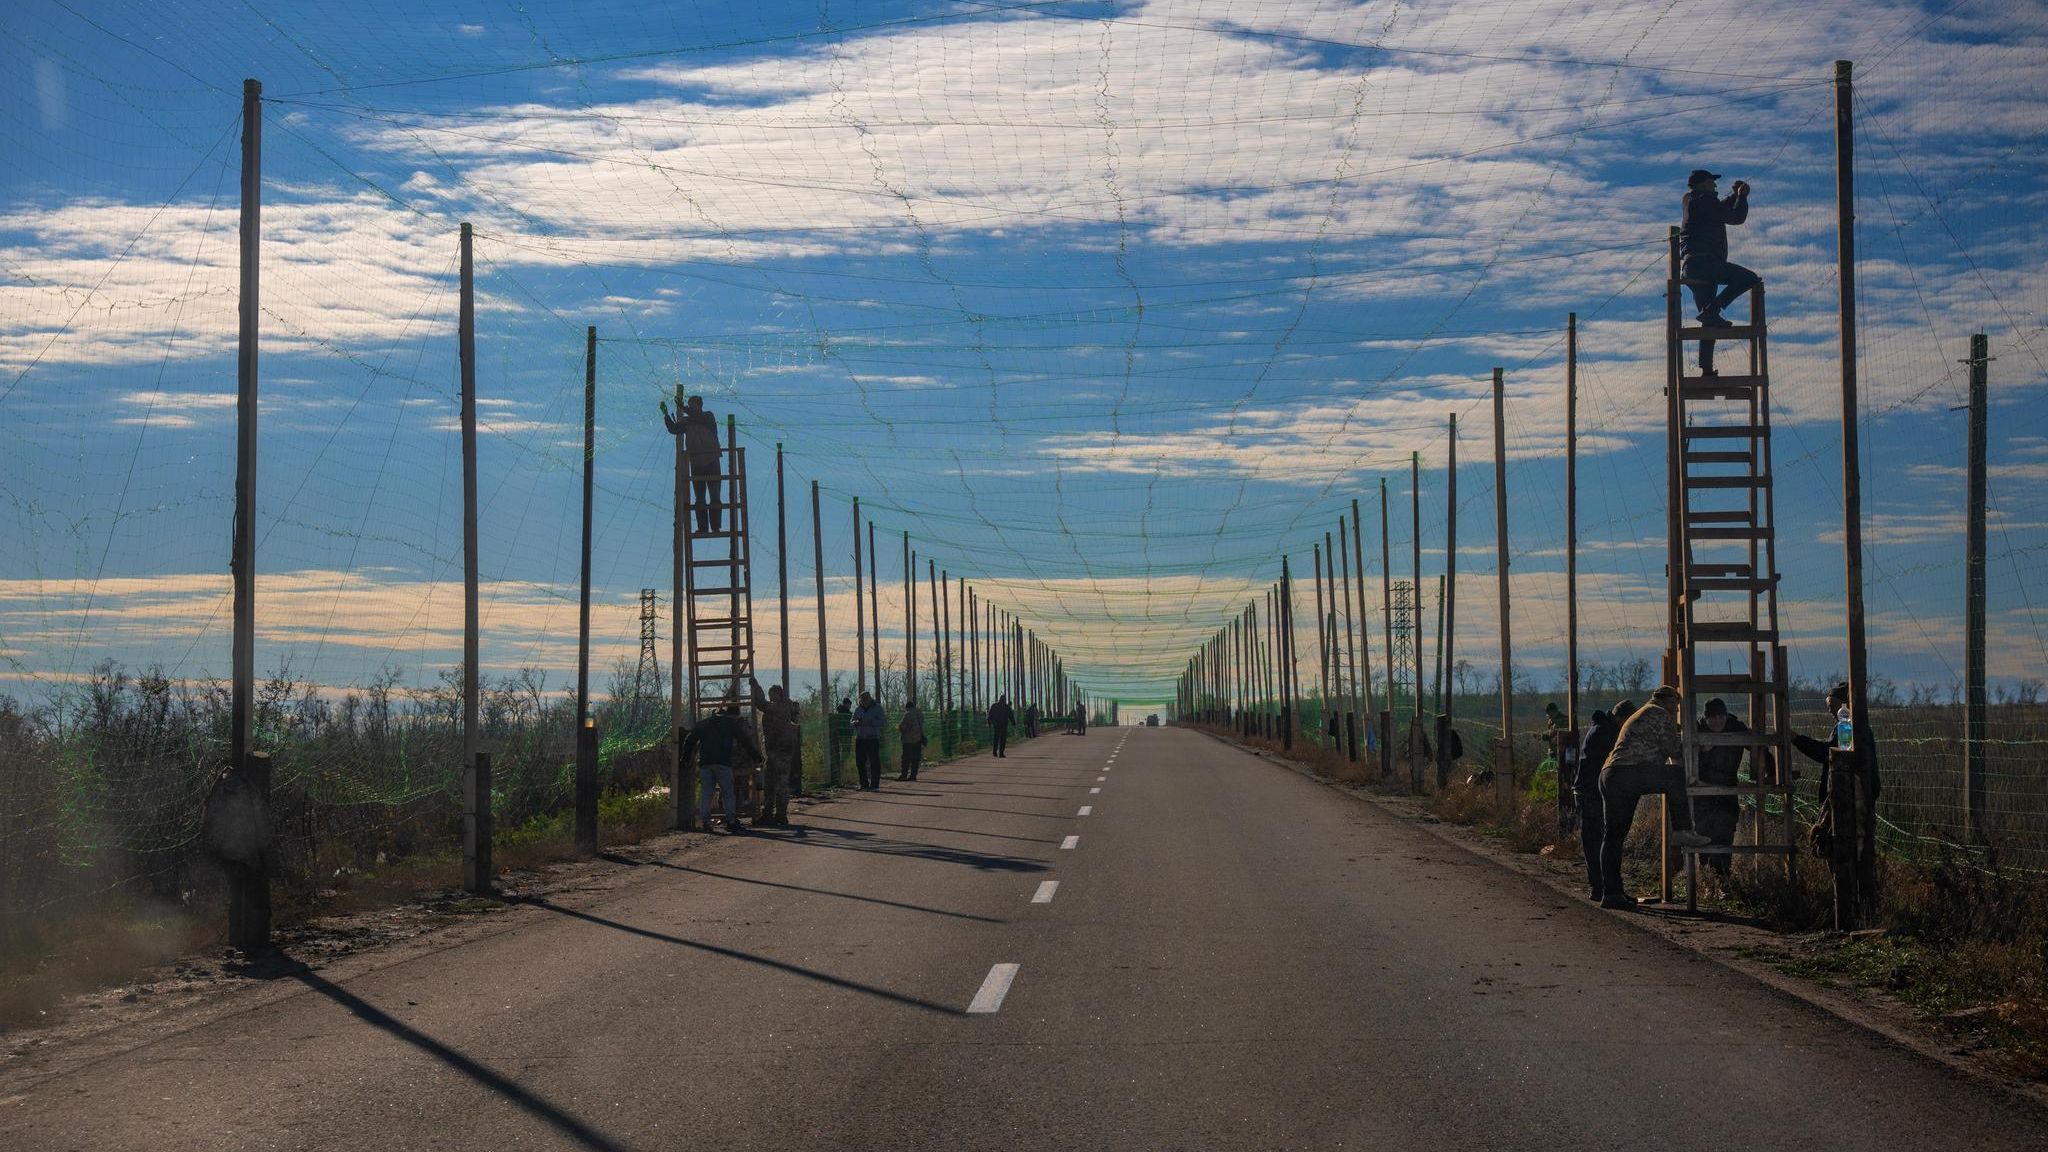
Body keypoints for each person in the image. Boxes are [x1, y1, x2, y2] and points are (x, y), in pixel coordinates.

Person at [1598, 686, 1711, 908]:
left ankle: (1612, 893)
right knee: (1675, 776)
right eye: (1676, 706)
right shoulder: (1660, 714)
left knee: (1613, 837)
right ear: (1669, 702)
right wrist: (1699, 747)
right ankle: (1683, 831)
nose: (1676, 711)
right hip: (1630, 773)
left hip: (1610, 774)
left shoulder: (1643, 712)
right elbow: (1675, 751)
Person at [1678, 169, 1758, 378]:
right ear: (1703, 184)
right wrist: (1741, 197)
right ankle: (1713, 309)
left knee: (1709, 322)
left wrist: (1734, 196)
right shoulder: (1703, 201)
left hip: (1694, 266)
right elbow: (1735, 217)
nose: (1715, 187)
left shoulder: (1694, 201)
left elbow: (1719, 209)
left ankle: (1706, 370)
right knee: (1749, 278)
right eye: (1712, 183)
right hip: (1705, 264)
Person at [1792, 681, 1880, 866]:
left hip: (1846, 800)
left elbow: (1829, 753)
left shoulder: (1847, 728)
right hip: (1857, 798)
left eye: (1832, 706)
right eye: (1828, 706)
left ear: (1844, 705)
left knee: (1842, 852)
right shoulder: (1854, 727)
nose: (1830, 711)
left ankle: (1847, 892)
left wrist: (1797, 739)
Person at [680, 697, 760, 835]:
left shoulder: (704, 723)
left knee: (707, 793)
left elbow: (690, 740)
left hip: (705, 763)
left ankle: (705, 822)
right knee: (728, 793)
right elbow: (744, 740)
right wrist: (756, 756)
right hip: (723, 763)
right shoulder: (729, 724)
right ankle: (731, 821)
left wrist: (685, 757)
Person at [1694, 698, 1753, 876]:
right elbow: (1686, 761)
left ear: (1726, 716)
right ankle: (1707, 876)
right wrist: (1703, 752)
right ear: (1705, 718)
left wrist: (1768, 772)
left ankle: (1723, 877)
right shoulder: (1697, 730)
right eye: (1712, 718)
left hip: (1728, 787)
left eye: (1721, 717)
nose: (1717, 721)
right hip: (1703, 789)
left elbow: (1759, 746)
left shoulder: (1736, 727)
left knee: (1725, 830)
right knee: (1704, 830)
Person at [1575, 705, 1626, 902]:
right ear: (1621, 719)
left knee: (1594, 840)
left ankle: (1601, 886)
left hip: (1587, 791)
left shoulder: (1600, 729)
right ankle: (1602, 886)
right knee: (1598, 840)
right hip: (1591, 793)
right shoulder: (1608, 733)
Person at [661, 394, 723, 535]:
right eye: (689, 404)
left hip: (712, 461)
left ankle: (715, 527)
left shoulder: (708, 417)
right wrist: (665, 415)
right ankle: (703, 528)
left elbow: (698, 417)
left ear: (700, 405)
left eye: (693, 404)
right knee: (700, 498)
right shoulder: (687, 421)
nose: (691, 406)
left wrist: (684, 408)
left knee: (714, 496)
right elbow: (674, 429)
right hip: (696, 463)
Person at [749, 677, 800, 826]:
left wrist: (756, 687)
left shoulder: (781, 706)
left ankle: (778, 814)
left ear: (778, 695)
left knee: (778, 783)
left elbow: (761, 704)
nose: (771, 698)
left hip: (779, 751)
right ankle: (773, 813)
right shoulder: (786, 707)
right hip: (778, 751)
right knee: (772, 783)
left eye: (772, 695)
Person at [852, 690, 885, 791]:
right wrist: (856, 722)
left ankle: (875, 785)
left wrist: (871, 722)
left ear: (870, 698)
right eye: (862, 699)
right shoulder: (858, 709)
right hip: (860, 738)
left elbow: (883, 721)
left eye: (866, 698)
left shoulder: (877, 708)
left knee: (874, 762)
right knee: (860, 762)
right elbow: (851, 721)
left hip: (872, 738)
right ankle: (864, 784)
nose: (864, 701)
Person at [897, 696, 926, 782]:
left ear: (907, 707)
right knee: (915, 758)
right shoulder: (920, 713)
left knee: (906, 758)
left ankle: (904, 775)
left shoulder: (908, 714)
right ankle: (913, 775)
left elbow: (903, 726)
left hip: (908, 740)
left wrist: (899, 728)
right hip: (918, 738)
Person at [1434, 712, 1464, 789]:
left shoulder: (1449, 734)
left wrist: (1450, 757)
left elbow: (1458, 750)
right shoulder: (1443, 734)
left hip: (1450, 759)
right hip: (1447, 759)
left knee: (1447, 776)